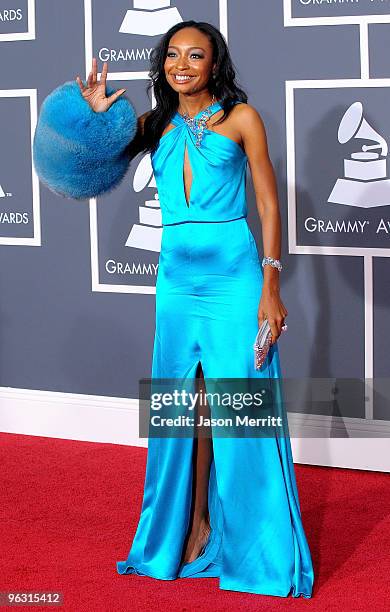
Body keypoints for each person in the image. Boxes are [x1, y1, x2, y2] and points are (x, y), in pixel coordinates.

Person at [34, 20, 314, 598]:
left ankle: (254, 545)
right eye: (172, 55)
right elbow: (81, 171)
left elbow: (267, 202)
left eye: (196, 55)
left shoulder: (242, 119)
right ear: (161, 62)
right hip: (177, 283)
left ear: (216, 65)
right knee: (183, 405)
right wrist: (85, 116)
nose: (181, 64)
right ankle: (191, 526)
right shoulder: (155, 123)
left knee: (237, 406)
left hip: (236, 279)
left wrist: (271, 285)